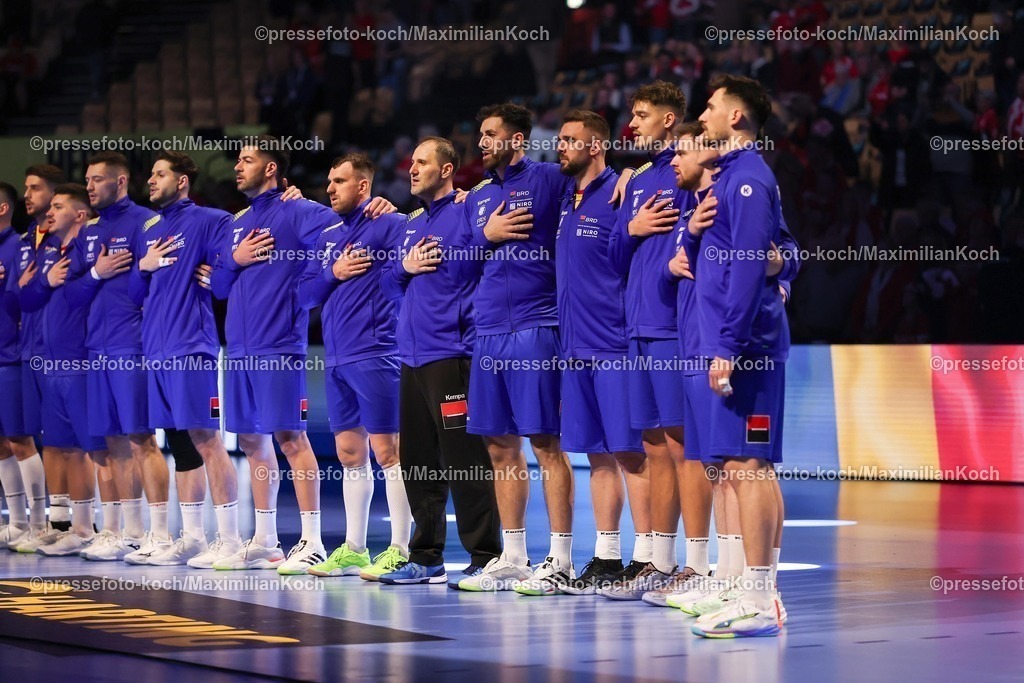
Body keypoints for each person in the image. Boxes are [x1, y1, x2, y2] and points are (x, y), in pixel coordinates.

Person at [209, 136, 394, 574]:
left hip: (279, 346)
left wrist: (379, 205)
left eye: (247, 160)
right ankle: (267, 540)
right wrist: (234, 260)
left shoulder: (300, 211)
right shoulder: (236, 222)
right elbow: (217, 285)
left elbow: (346, 222)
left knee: (291, 440)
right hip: (238, 349)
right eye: (238, 160)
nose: (238, 167)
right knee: (252, 441)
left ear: (271, 169)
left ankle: (311, 540)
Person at [515, 110, 647, 596]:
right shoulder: (569, 200)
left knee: (631, 454)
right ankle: (608, 557)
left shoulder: (621, 191)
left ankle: (649, 557)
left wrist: (631, 173)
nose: (560, 147)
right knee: (597, 455)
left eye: (570, 140)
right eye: (560, 140)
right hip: (575, 348)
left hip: (613, 343)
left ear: (596, 146)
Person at [684, 75, 793, 638]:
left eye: (709, 108)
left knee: (749, 468)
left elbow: (753, 266)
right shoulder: (729, 180)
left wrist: (726, 345)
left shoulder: (747, 179)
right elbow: (772, 255)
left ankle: (760, 598)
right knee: (743, 467)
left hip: (747, 347)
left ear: (736, 118)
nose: (701, 117)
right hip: (734, 342)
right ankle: (753, 593)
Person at [377, 137, 503, 586]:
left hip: (452, 356)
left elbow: (481, 263)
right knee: (417, 462)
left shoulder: (468, 210)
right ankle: (425, 555)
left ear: (447, 170)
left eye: (422, 162)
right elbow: (390, 285)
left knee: (463, 459)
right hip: (410, 359)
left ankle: (486, 556)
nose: (412, 169)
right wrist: (404, 267)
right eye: (411, 162)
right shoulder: (410, 222)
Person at [608, 81, 706, 593]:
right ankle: (662, 562)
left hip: (673, 327)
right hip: (636, 328)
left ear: (669, 120)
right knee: (652, 445)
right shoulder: (641, 179)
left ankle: (700, 562)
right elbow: (613, 257)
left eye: (643, 115)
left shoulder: (691, 169)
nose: (634, 125)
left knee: (684, 445)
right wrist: (633, 229)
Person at [297, 153, 413, 580]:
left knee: (389, 452)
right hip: (338, 356)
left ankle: (401, 549)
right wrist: (334, 271)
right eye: (328, 180)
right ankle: (355, 549)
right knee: (349, 452)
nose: (330, 188)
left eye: (340, 181)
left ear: (363, 187)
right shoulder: (326, 234)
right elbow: (306, 294)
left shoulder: (390, 223)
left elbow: (410, 271)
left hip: (378, 351)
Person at [125, 151, 244, 567]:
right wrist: (143, 265)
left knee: (208, 440)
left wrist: (218, 276)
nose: (151, 180)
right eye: (151, 174)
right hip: (155, 349)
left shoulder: (211, 220)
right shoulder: (149, 227)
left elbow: (229, 273)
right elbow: (135, 295)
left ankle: (229, 538)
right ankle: (192, 537)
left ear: (183, 181)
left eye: (160, 174)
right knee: (180, 443)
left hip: (191, 347)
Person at [64, 152, 170, 561]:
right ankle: (130, 532)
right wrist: (97, 272)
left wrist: (134, 274)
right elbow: (72, 294)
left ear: (120, 182)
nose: (88, 187)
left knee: (141, 438)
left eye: (96, 180)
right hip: (97, 348)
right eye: (87, 180)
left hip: (133, 346)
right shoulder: (89, 230)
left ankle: (159, 534)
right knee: (111, 442)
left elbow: (155, 283)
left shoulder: (145, 222)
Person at [19, 184, 105, 556]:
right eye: (49, 206)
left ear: (81, 215)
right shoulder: (51, 251)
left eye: (58, 206)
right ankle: (60, 523)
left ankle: (85, 527)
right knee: (54, 444)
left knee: (82, 449)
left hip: (80, 360)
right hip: (51, 362)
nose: (49, 213)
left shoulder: (89, 248)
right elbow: (24, 298)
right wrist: (44, 280)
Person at [0, 181, 46, 549]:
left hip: (12, 356)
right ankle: (16, 522)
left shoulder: (18, 246)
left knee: (20, 439)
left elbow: (25, 298)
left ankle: (39, 522)